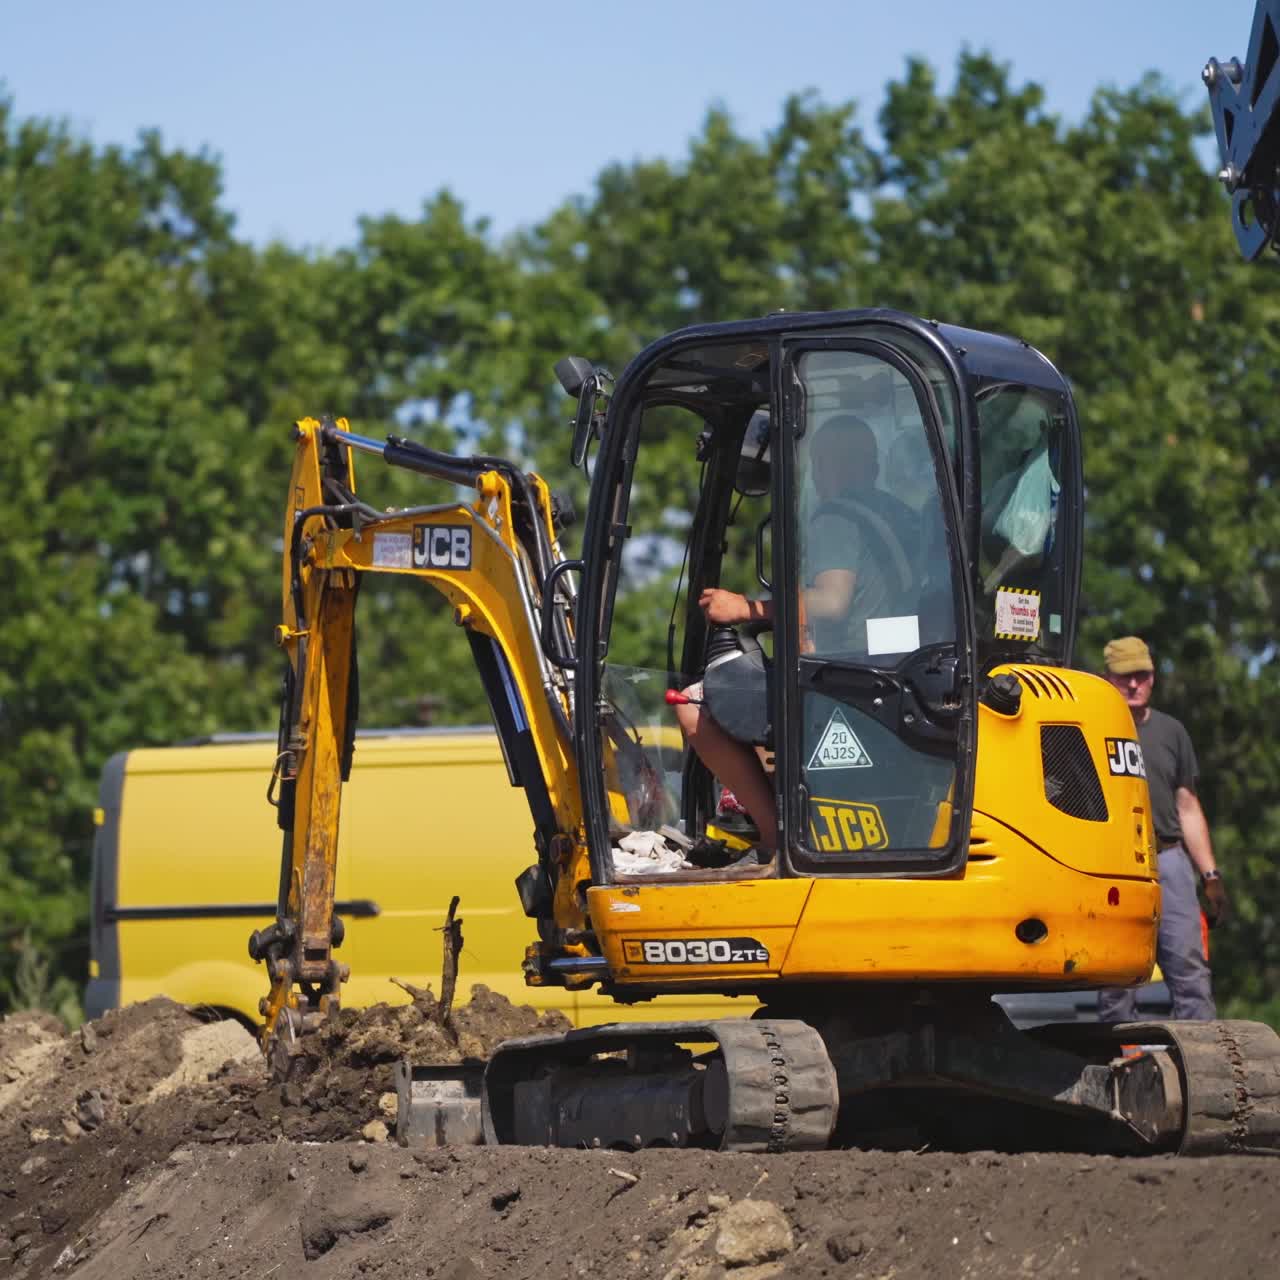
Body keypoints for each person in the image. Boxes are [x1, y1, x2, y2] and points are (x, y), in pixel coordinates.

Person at [672, 414, 914, 855]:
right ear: (875, 467)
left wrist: (746, 608)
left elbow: (831, 601)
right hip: (900, 679)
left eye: (822, 464)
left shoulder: (837, 517)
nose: (819, 476)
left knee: (695, 704)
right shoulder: (903, 519)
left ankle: (775, 840)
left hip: (848, 684)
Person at [1097, 636, 1228, 1023]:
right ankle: (1117, 1065)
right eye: (1124, 677)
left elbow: (1187, 807)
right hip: (1115, 864)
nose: (1134, 684)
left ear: (1153, 677)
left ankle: (1204, 1063)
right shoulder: (1093, 728)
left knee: (1190, 971)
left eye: (1142, 675)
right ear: (1108, 679)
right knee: (1116, 976)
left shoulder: (1172, 732)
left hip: (1169, 859)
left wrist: (1210, 875)